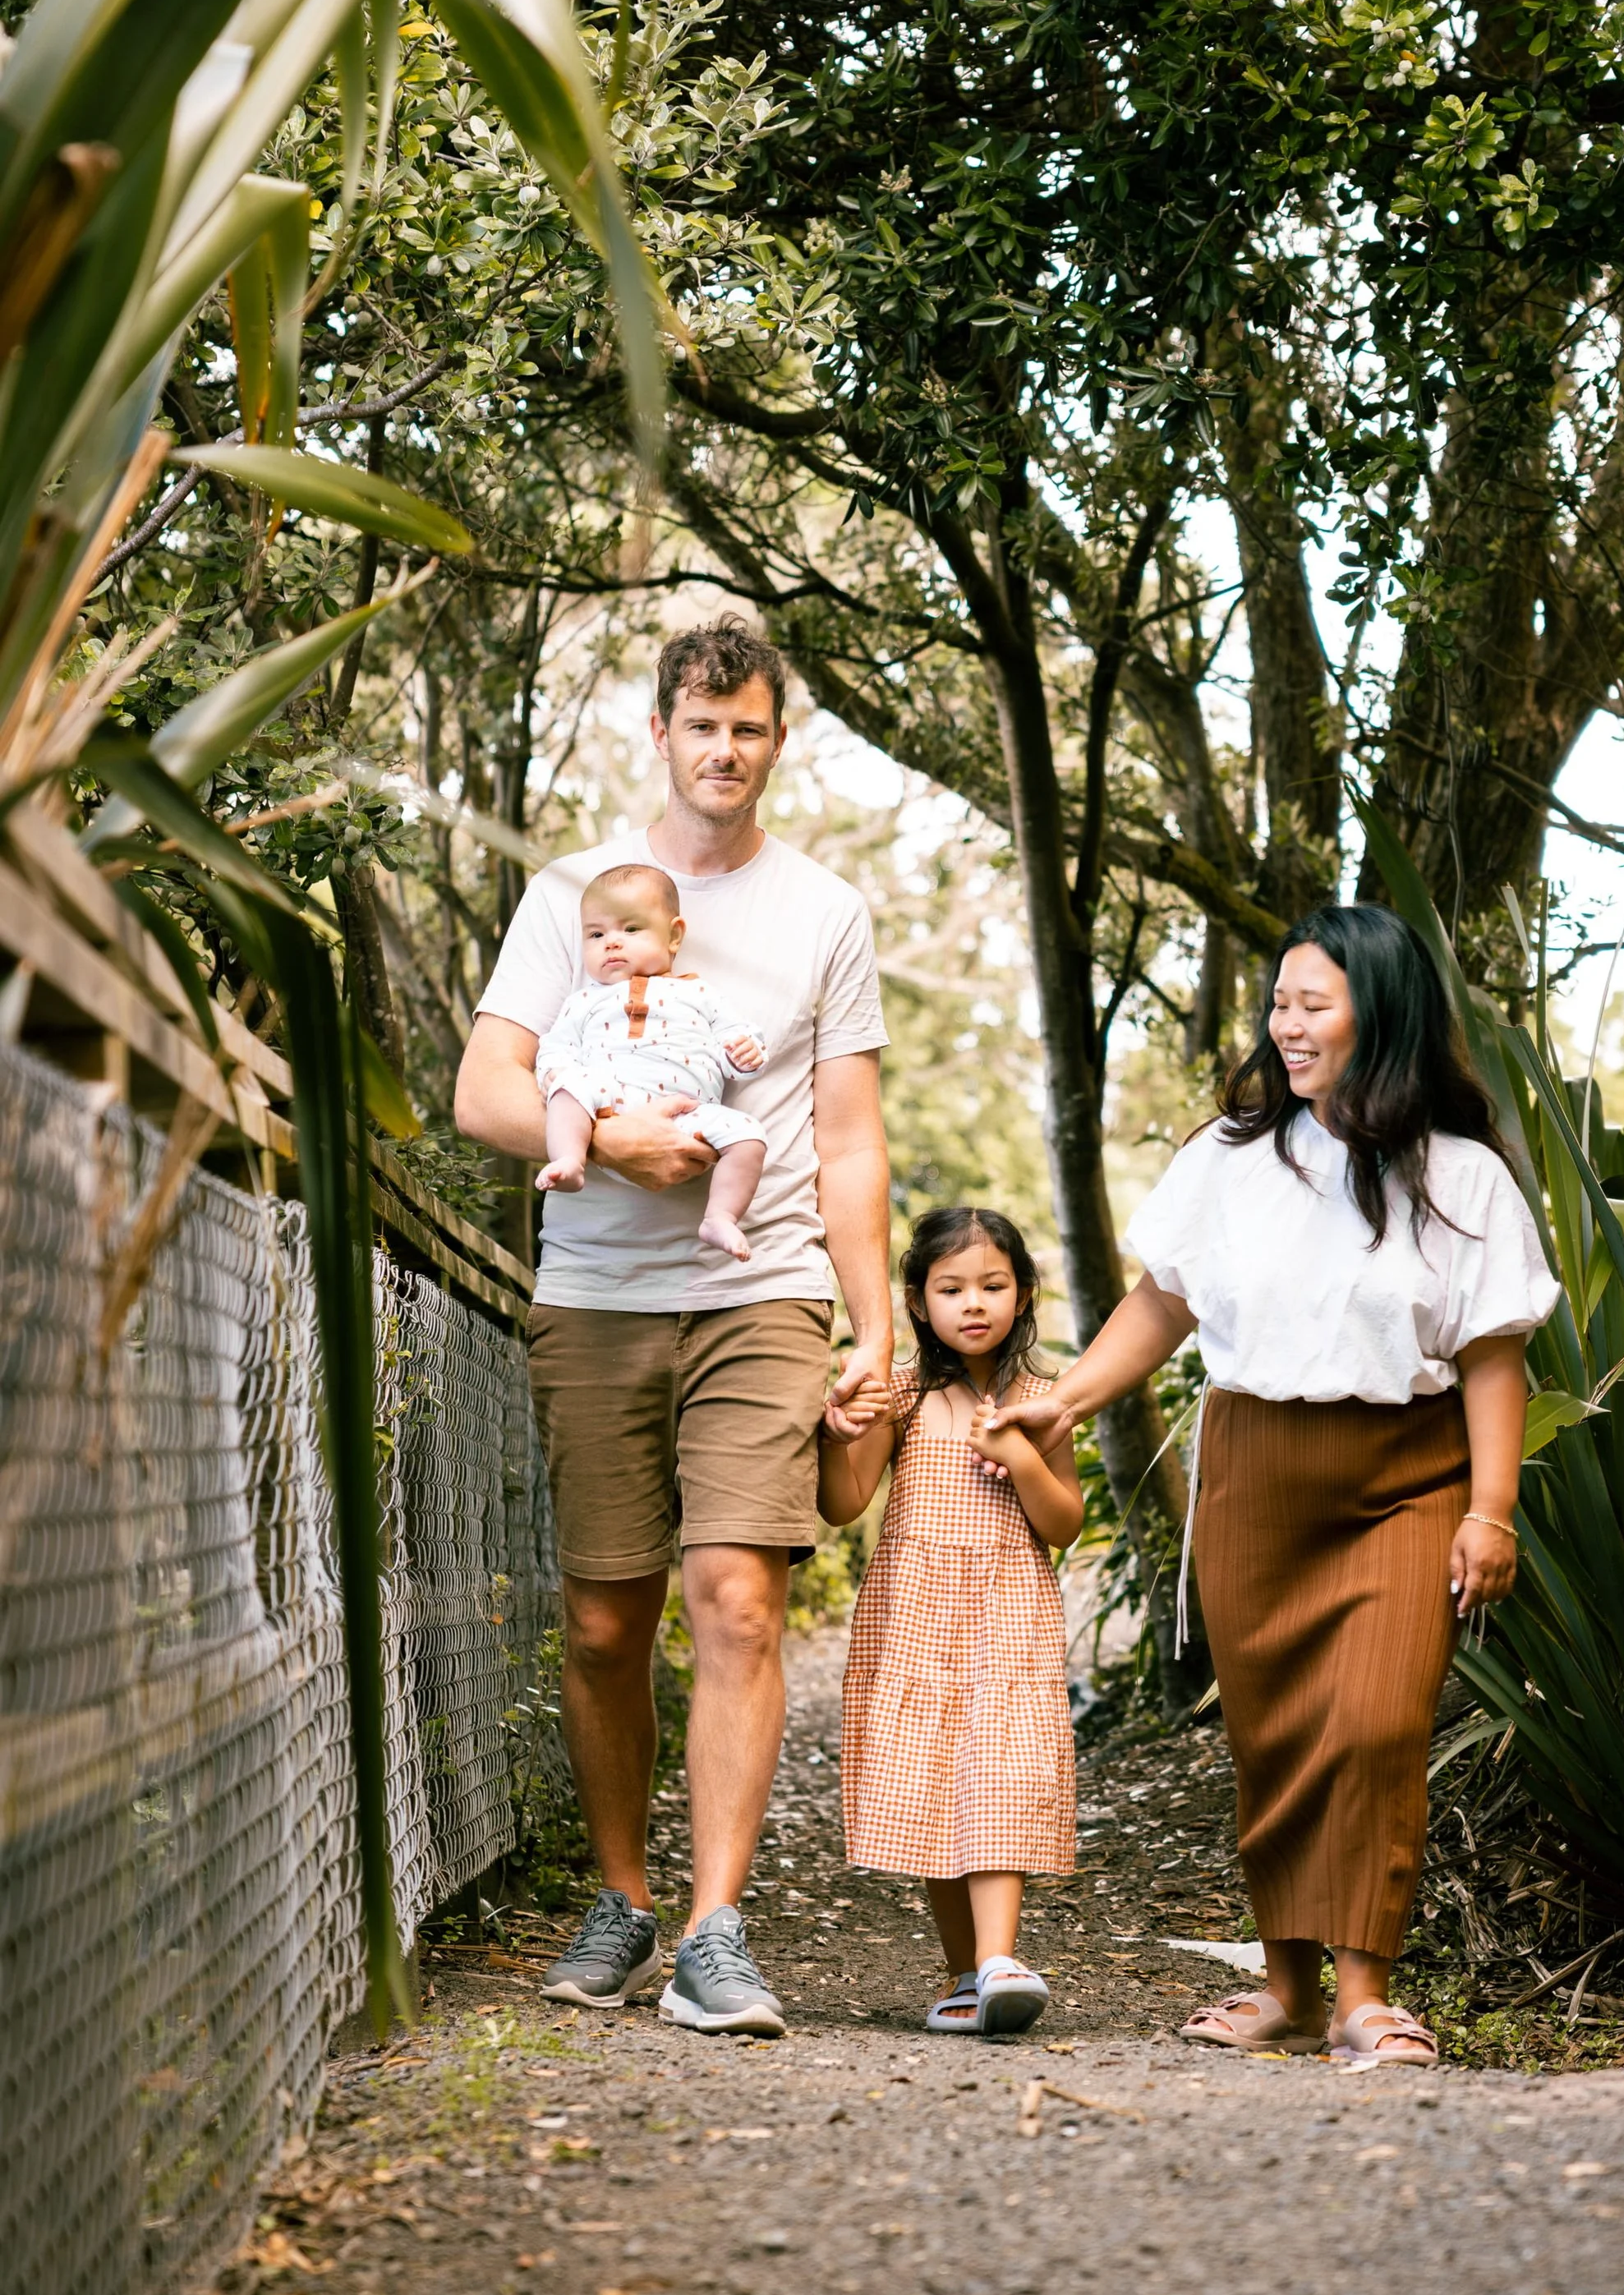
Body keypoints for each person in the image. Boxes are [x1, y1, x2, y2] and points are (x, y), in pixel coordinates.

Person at [999, 904, 1556, 2067]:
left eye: (1314, 1004)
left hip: (1406, 1476)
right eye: (1280, 1003)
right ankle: (1286, 1991)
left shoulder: (1463, 1180)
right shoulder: (1231, 1159)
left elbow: (1495, 1359)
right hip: (1253, 1473)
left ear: (1383, 1015)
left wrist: (1489, 1510)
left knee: (1376, 1724)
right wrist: (1073, 1396)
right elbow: (1164, 1300)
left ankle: (1364, 1998)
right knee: (1276, 1736)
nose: (1286, 1025)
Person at [453, 617, 892, 2038]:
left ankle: (715, 1925)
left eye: (751, 727)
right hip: (594, 1296)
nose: (725, 749)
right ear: (661, 731)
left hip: (761, 1286)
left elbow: (849, 1136)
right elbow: (485, 1089)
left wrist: (876, 1321)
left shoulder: (823, 911)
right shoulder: (570, 895)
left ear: (779, 737)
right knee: (601, 1618)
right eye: (702, 725)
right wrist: (620, 1138)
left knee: (740, 1598)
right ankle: (625, 1895)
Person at [821, 1207, 1083, 2038]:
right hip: (916, 1613)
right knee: (935, 1784)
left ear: (1024, 1293)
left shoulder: (1045, 1401)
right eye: (952, 1288)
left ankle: (1001, 1958)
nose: (974, 1303)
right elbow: (841, 1502)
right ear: (917, 1300)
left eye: (993, 1285)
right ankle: (964, 1972)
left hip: (1008, 1607)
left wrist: (1022, 1458)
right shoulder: (900, 1394)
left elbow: (1065, 1522)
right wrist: (836, 1432)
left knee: (999, 1773)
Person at [533, 862, 768, 1264]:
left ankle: (720, 1216)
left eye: (630, 929)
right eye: (596, 933)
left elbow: (737, 1035)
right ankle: (570, 1159)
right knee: (568, 1088)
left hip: (688, 1113)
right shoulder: (583, 1001)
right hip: (608, 1099)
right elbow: (554, 1048)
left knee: (750, 1136)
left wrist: (744, 1051)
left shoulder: (700, 994)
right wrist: (554, 1072)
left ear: (674, 936)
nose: (611, 942)